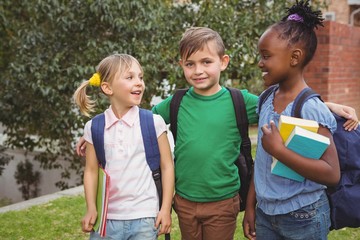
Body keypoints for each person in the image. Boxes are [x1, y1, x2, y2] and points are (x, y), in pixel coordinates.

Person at [76, 29, 358, 240]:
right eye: (190, 64)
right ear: (182, 66)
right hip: (183, 201)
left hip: (224, 201)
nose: (198, 70)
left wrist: (326, 105)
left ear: (223, 62)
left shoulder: (240, 101)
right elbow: (136, 120)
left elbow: (280, 107)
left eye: (206, 62)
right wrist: (96, 133)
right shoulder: (174, 103)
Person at [242, 1, 347, 239]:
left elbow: (331, 173)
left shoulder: (309, 108)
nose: (260, 62)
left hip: (304, 216)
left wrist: (279, 150)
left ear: (294, 57)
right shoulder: (266, 99)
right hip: (266, 214)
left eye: (266, 56)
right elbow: (262, 162)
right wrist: (251, 206)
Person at [73, 53, 174, 240]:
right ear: (107, 88)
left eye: (140, 77)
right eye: (130, 77)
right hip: (106, 218)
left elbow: (168, 167)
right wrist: (91, 208)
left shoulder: (154, 122)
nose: (139, 83)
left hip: (145, 216)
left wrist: (165, 209)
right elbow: (91, 171)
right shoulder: (93, 127)